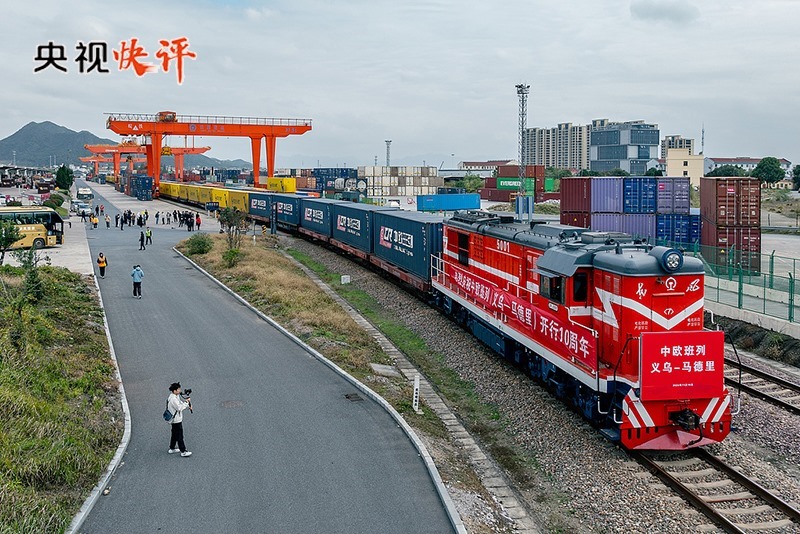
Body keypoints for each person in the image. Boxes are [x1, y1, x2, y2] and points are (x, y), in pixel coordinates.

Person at [166, 382, 192, 457]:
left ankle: (172, 448)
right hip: (176, 420)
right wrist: (187, 402)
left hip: (175, 419)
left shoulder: (175, 396)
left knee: (174, 434)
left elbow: (180, 403)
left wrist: (187, 406)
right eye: (178, 389)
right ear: (174, 391)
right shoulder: (173, 399)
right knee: (180, 436)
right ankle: (183, 451)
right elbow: (179, 408)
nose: (180, 390)